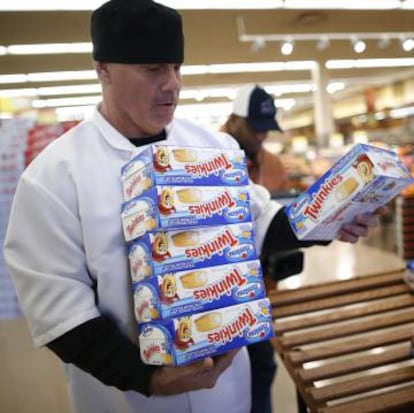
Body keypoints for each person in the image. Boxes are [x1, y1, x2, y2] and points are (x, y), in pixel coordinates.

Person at [3, 1, 386, 413]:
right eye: (153, 69)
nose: (171, 84)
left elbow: (261, 223)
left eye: (176, 67)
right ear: (104, 69)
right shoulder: (54, 177)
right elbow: (57, 309)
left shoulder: (213, 147)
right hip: (128, 398)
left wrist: (328, 220)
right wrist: (149, 378)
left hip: (226, 393)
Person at [220, 84, 289, 194]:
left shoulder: (274, 165)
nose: (261, 136)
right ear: (235, 120)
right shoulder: (209, 161)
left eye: (266, 129)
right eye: (254, 128)